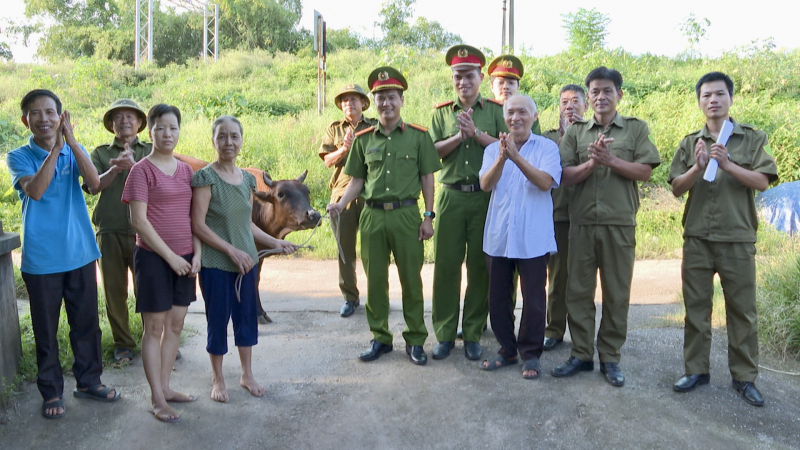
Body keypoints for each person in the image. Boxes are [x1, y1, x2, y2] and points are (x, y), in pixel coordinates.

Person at [6, 89, 119, 419]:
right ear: (25, 120)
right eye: (36, 113)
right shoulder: (18, 156)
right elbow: (36, 191)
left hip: (80, 252)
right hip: (42, 259)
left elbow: (94, 184)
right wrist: (56, 149)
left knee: (86, 324)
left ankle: (89, 381)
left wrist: (71, 143)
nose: (44, 119)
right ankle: (51, 391)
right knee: (46, 330)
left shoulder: (73, 149)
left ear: (61, 117)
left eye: (50, 112)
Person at [668, 72, 777, 406]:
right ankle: (696, 370)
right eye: (706, 95)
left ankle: (744, 377)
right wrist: (697, 168)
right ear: (699, 102)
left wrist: (727, 165)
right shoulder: (691, 142)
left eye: (719, 94)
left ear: (731, 98)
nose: (713, 100)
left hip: (737, 237)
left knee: (742, 311)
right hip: (698, 237)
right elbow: (676, 188)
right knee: (696, 309)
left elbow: (762, 181)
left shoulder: (751, 138)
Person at [553, 67, 661, 387]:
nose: (601, 96)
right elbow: (563, 176)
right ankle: (581, 354)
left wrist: (611, 160)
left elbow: (645, 171)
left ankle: (610, 357)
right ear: (588, 98)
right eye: (595, 91)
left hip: (619, 225)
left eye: (607, 91)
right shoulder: (575, 133)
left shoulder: (635, 129)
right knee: (578, 293)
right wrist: (592, 163)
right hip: (582, 224)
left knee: (616, 294)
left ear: (619, 95)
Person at [327, 66, 441, 366]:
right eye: (380, 98)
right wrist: (340, 204)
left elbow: (428, 178)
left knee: (411, 281)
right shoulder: (364, 138)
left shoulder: (418, 137)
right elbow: (357, 181)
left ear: (401, 100)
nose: (386, 103)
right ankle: (380, 337)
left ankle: (415, 340)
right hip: (372, 217)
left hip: (406, 216)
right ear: (374, 103)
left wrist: (428, 217)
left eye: (391, 97)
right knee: (375, 282)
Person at [191, 116, 298, 403]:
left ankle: (246, 375)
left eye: (234, 136)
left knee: (246, 319)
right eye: (222, 136)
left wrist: (276, 242)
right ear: (213, 141)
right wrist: (231, 251)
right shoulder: (204, 178)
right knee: (217, 320)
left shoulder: (248, 180)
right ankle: (217, 378)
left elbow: (247, 224)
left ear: (241, 140)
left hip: (247, 263)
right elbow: (198, 225)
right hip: (216, 263)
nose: (228, 142)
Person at [122, 104, 200, 423]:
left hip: (186, 260)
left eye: (173, 128)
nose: (168, 134)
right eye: (160, 128)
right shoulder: (141, 171)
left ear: (179, 131)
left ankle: (166, 387)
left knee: (176, 325)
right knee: (154, 327)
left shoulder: (186, 171)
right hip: (154, 258)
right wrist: (170, 257)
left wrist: (196, 254)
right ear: (150, 132)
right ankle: (156, 398)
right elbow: (138, 222)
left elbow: (196, 218)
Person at [428, 45, 504, 361]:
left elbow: (508, 147)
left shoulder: (497, 111)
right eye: (457, 76)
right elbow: (431, 152)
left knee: (479, 267)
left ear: (481, 77)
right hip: (451, 195)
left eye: (469, 75)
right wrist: (459, 137)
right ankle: (445, 334)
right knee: (446, 266)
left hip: (485, 197)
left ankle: (472, 333)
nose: (463, 82)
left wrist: (476, 134)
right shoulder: (441, 113)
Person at [478, 94, 561, 379]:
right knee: (498, 297)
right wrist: (503, 157)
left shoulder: (547, 147)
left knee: (534, 299)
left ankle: (531, 354)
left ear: (534, 116)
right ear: (504, 118)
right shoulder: (493, 150)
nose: (516, 118)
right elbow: (485, 184)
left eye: (522, 112)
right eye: (511, 113)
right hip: (499, 235)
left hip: (533, 237)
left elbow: (545, 182)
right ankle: (507, 349)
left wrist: (516, 157)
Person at [85, 99, 151, 364]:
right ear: (111, 124)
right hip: (109, 231)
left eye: (130, 116)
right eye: (118, 117)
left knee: (149, 290)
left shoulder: (151, 150)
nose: (124, 121)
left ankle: (155, 340)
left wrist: (134, 166)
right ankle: (123, 345)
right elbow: (93, 186)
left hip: (146, 232)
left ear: (140, 123)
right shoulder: (100, 154)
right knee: (114, 292)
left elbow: (160, 184)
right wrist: (115, 168)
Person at [319, 84, 376, 317]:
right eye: (344, 101)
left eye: (353, 100)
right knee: (345, 250)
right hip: (342, 193)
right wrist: (344, 149)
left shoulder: (374, 126)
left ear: (363, 103)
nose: (349, 104)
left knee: (373, 250)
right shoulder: (335, 129)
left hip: (371, 192)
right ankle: (350, 298)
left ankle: (377, 298)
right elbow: (327, 160)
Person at [541, 85, 588, 352]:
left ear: (586, 105)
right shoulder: (548, 137)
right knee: (558, 277)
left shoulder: (595, 133)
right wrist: (565, 136)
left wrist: (579, 135)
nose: (569, 106)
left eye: (575, 101)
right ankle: (554, 329)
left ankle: (582, 336)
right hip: (558, 213)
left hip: (587, 214)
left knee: (582, 279)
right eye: (564, 102)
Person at [486, 54, 541, 134]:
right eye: (501, 83)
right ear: (491, 86)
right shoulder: (483, 109)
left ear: (518, 87)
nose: (506, 87)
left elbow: (536, 139)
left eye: (511, 83)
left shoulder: (528, 111)